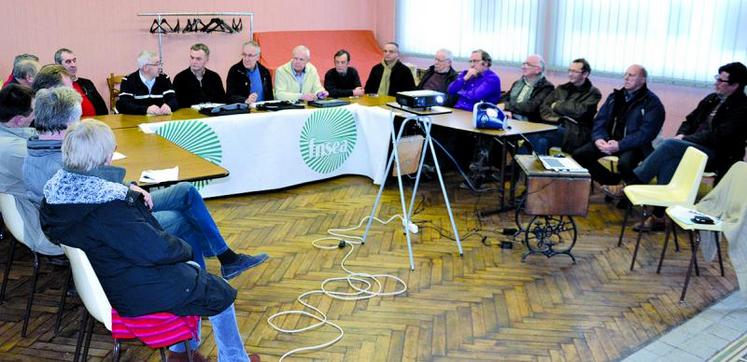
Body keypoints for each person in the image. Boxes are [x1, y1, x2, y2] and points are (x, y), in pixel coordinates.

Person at [39, 120, 260, 362]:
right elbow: (156, 249)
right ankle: (234, 359)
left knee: (194, 271)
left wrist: (128, 194)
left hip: (110, 278)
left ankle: (183, 353)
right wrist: (184, 247)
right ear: (105, 157)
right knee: (221, 293)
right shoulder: (110, 207)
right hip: (133, 292)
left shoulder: (56, 196)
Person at [23, 87, 268, 281]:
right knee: (182, 219)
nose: (82, 123)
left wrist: (129, 186)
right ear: (65, 123)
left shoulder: (54, 151)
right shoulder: (53, 165)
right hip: (112, 229)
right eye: (79, 118)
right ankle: (198, 286)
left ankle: (226, 259)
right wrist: (130, 194)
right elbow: (100, 204)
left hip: (114, 212)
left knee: (186, 191)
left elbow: (95, 187)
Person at [602, 62, 747, 230]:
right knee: (671, 159)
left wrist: (685, 138)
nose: (716, 83)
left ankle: (630, 185)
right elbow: (689, 120)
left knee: (670, 146)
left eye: (722, 81)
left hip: (718, 155)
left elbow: (719, 137)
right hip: (693, 146)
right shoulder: (712, 99)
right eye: (717, 78)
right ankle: (658, 217)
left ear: (735, 85)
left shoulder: (742, 108)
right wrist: (682, 135)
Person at [572, 64, 665, 191]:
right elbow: (600, 120)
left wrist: (620, 145)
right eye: (625, 75)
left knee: (625, 164)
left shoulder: (652, 103)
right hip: (608, 141)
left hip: (634, 145)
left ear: (643, 80)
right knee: (579, 155)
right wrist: (599, 138)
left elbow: (646, 133)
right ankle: (612, 181)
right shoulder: (615, 97)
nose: (626, 78)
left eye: (631, 75)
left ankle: (628, 194)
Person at [0, 84, 64, 258]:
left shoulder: (9, 131)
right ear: (20, 119)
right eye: (35, 110)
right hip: (41, 222)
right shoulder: (15, 150)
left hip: (37, 209)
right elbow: (60, 183)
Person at [529, 58, 602, 155]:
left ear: (585, 74)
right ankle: (534, 168)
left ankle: (519, 167)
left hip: (576, 132)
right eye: (569, 70)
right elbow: (544, 108)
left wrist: (556, 105)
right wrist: (560, 118)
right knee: (541, 141)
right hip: (555, 126)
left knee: (535, 134)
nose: (570, 74)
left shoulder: (593, 93)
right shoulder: (561, 89)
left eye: (574, 71)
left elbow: (580, 111)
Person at [117, 50, 178, 115]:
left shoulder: (164, 78)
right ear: (145, 67)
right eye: (157, 64)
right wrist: (146, 109)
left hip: (160, 120)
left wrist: (169, 106)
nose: (160, 67)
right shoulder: (128, 80)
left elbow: (174, 100)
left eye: (160, 63)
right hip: (136, 121)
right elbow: (123, 105)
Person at [54, 48, 108, 116]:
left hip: (94, 123)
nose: (73, 65)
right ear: (58, 65)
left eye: (74, 61)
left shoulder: (87, 83)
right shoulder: (54, 87)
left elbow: (103, 109)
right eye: (68, 62)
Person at [503, 54, 555, 123]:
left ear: (538, 70)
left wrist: (507, 106)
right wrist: (507, 111)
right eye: (523, 64)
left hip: (529, 123)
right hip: (510, 117)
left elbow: (530, 108)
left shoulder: (546, 87)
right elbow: (504, 98)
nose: (524, 67)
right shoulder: (518, 83)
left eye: (528, 65)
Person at [173, 43, 226, 108]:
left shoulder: (214, 77)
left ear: (207, 60)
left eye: (198, 59)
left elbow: (222, 101)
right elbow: (177, 104)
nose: (194, 62)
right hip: (190, 116)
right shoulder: (180, 78)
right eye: (192, 58)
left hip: (211, 115)